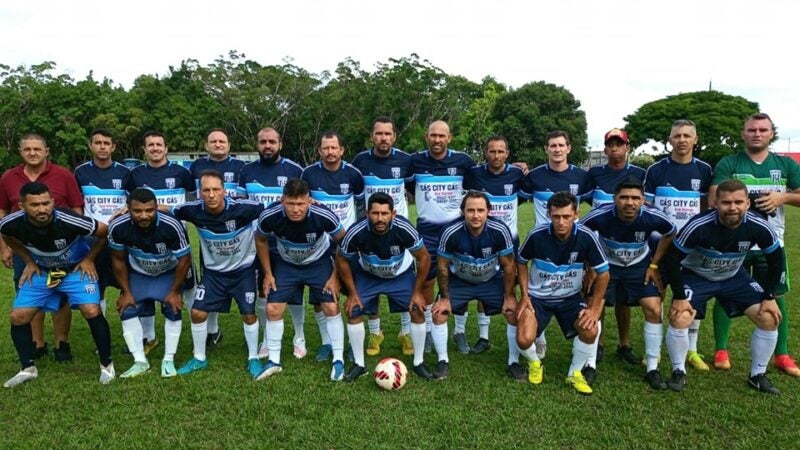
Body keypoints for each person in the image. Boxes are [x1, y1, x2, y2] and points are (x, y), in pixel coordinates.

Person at [664, 179, 784, 394]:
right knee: (680, 316)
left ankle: (757, 375)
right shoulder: (699, 225)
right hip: (697, 275)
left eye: (738, 202)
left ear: (748, 203)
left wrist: (769, 296)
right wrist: (680, 296)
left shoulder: (759, 225)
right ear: (715, 203)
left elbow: (776, 260)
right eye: (726, 202)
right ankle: (678, 371)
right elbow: (672, 259)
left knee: (768, 317)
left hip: (733, 277)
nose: (732, 207)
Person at [709, 113, 800, 376]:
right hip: (732, 244)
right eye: (751, 130)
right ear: (743, 133)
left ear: (771, 133)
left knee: (776, 295)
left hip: (772, 244)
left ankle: (782, 354)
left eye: (762, 130)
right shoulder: (730, 162)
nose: (757, 134)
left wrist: (782, 198)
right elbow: (714, 197)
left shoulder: (785, 164)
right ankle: (721, 349)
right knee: (725, 293)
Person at [1, 182, 114, 387]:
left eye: (46, 203)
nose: (42, 209)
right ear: (21, 206)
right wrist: (28, 261)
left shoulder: (70, 220)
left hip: (73, 270)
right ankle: (28, 369)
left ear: (53, 201)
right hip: (44, 272)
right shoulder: (10, 223)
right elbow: (7, 236)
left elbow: (105, 232)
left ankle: (107, 365)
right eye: (35, 205)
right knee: (18, 316)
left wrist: (89, 259)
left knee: (91, 310)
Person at [581, 177, 676, 389]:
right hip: (607, 266)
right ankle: (590, 362)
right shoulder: (600, 215)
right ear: (615, 199)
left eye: (635, 198)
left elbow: (670, 233)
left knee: (653, 308)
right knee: (595, 306)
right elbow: (580, 234)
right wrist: (591, 266)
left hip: (638, 267)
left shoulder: (652, 216)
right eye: (624, 197)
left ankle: (652, 367)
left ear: (643, 200)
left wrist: (654, 265)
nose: (630, 202)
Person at [169, 171, 265, 379]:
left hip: (243, 271)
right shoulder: (193, 210)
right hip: (214, 274)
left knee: (248, 314)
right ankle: (199, 358)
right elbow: (167, 209)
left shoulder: (244, 208)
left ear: (224, 191)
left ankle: (253, 358)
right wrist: (127, 208)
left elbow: (274, 208)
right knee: (197, 312)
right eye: (206, 190)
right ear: (200, 193)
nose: (211, 194)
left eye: (215, 189)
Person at [515, 191, 609, 395]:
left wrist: (594, 309)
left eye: (566, 216)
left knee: (590, 329)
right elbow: (521, 262)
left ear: (576, 214)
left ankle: (574, 373)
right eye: (556, 216)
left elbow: (604, 273)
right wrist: (525, 296)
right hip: (538, 298)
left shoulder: (586, 236)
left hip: (570, 298)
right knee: (523, 338)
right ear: (549, 214)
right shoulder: (536, 235)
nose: (561, 222)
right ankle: (535, 363)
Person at [0, 133, 84, 362]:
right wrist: (4, 248)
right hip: (24, 248)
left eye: (37, 149)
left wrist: (78, 245)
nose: (32, 153)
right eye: (27, 149)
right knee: (30, 293)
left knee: (60, 292)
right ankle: (37, 343)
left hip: (59, 250)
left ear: (46, 151)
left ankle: (61, 343)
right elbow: (3, 211)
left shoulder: (63, 175)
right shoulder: (9, 177)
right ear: (20, 152)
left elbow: (77, 209)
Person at [254, 178, 347, 381]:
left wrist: (335, 277)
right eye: (290, 203)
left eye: (300, 204)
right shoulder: (270, 215)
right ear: (282, 201)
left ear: (309, 201)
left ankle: (338, 359)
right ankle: (274, 361)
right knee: (273, 308)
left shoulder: (324, 215)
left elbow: (344, 241)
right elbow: (260, 239)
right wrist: (268, 273)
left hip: (318, 263)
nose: (296, 209)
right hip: (287, 264)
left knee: (331, 306)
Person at [335, 193, 432, 381]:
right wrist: (353, 293)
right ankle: (359, 364)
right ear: (367, 214)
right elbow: (342, 259)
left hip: (399, 275)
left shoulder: (404, 228)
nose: (380, 218)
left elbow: (424, 257)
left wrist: (417, 292)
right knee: (353, 310)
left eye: (385, 213)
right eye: (375, 213)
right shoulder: (356, 231)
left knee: (417, 309)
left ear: (393, 214)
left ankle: (419, 362)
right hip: (369, 275)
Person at [643, 119, 713, 371]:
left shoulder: (704, 170)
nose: (682, 140)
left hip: (693, 247)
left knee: (693, 297)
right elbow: (648, 206)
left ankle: (691, 350)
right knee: (657, 296)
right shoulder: (656, 170)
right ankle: (655, 352)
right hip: (660, 244)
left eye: (686, 135)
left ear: (695, 139)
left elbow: (706, 207)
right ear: (670, 140)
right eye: (677, 136)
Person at [519, 130, 593, 360]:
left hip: (572, 242)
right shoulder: (535, 175)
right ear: (546, 149)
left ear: (569, 148)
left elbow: (596, 205)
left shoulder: (582, 176)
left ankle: (589, 345)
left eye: (561, 145)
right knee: (540, 286)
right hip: (542, 242)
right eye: (553, 145)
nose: (557, 149)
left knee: (576, 288)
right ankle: (539, 336)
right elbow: (514, 199)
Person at [124, 130, 197, 356]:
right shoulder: (135, 175)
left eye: (159, 145)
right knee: (144, 284)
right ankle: (149, 336)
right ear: (144, 149)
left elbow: (192, 202)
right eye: (150, 145)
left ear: (166, 148)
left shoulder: (182, 172)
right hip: (145, 237)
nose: (155, 148)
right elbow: (130, 203)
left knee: (189, 285)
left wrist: (171, 211)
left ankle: (197, 330)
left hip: (177, 237)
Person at [435, 191, 520, 380]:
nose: (475, 215)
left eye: (480, 210)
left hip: (490, 281)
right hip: (460, 281)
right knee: (439, 312)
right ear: (462, 211)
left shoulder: (500, 230)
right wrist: (445, 298)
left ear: (489, 211)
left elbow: (509, 265)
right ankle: (442, 361)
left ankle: (513, 362)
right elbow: (441, 265)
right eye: (470, 210)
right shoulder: (451, 231)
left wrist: (509, 296)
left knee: (512, 311)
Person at [109, 188, 191, 378]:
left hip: (168, 272)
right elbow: (118, 260)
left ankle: (168, 360)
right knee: (127, 309)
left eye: (149, 210)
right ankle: (140, 361)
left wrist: (174, 291)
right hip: (139, 272)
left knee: (173, 308)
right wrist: (125, 291)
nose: (144, 215)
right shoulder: (118, 226)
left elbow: (184, 260)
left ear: (156, 208)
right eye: (137, 211)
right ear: (128, 209)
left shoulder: (172, 224)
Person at [238, 127, 305, 361]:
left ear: (280, 144)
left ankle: (299, 337)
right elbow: (241, 205)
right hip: (257, 241)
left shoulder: (294, 170)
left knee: (294, 291)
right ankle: (267, 338)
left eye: (272, 142)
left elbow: (302, 202)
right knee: (263, 289)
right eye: (263, 142)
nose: (267, 146)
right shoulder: (246, 171)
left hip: (288, 240)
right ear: (257, 144)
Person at [410, 120, 475, 356]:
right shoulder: (414, 162)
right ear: (426, 137)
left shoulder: (463, 161)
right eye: (433, 135)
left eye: (441, 136)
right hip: (427, 231)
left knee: (460, 277)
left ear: (449, 138)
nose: (437, 140)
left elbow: (482, 178)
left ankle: (459, 330)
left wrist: (518, 167)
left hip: (456, 230)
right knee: (427, 280)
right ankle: (428, 329)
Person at [351, 117, 415, 356]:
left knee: (403, 278)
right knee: (370, 275)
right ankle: (375, 332)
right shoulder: (360, 161)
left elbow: (414, 187)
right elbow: (357, 194)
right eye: (379, 133)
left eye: (388, 133)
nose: (383, 138)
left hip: (398, 230)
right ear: (372, 136)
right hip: (370, 228)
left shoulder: (406, 160)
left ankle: (406, 332)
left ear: (394, 136)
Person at [586, 128, 647, 367]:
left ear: (627, 147)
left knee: (624, 300)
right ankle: (598, 344)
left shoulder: (640, 174)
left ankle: (624, 344)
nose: (614, 149)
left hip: (630, 248)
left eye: (619, 145)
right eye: (610, 145)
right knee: (598, 298)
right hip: (601, 246)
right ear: (605, 149)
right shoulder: (595, 174)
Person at [460, 135, 526, 355]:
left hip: (509, 240)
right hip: (481, 238)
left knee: (510, 288)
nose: (496, 156)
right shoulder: (474, 174)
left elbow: (524, 195)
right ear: (485, 153)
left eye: (500, 151)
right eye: (492, 151)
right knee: (479, 278)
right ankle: (483, 336)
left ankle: (521, 334)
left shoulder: (517, 174)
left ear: (507, 153)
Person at [302, 132, 364, 360]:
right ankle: (327, 342)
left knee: (352, 293)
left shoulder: (353, 174)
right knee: (321, 297)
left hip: (346, 243)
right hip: (318, 244)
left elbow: (361, 207)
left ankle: (352, 344)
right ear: (319, 151)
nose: (330, 152)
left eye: (334, 148)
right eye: (326, 148)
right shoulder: (308, 174)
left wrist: (358, 237)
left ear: (341, 150)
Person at [188, 129, 247, 350]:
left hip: (235, 231)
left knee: (246, 281)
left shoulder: (241, 167)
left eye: (222, 141)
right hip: (209, 230)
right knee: (209, 279)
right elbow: (190, 198)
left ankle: (252, 333)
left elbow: (243, 198)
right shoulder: (196, 167)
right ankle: (213, 330)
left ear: (229, 145)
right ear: (206, 145)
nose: (218, 144)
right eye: (213, 141)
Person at [74, 128, 130, 317]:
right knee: (97, 284)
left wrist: (127, 208)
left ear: (113, 147)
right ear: (91, 146)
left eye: (106, 143)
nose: (102, 147)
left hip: (120, 238)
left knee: (126, 283)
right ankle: (102, 328)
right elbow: (76, 204)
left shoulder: (125, 172)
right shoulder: (81, 172)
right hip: (93, 238)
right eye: (98, 143)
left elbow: (134, 201)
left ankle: (132, 328)